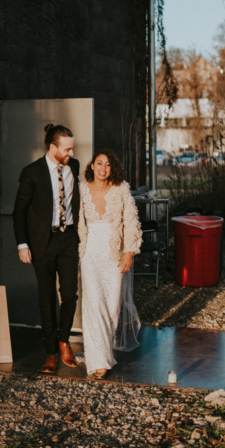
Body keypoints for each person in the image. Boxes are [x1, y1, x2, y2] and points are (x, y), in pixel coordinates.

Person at [13, 124, 81, 375]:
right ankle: (50, 352)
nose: (71, 153)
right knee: (47, 298)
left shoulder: (73, 167)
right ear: (53, 148)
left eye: (72, 148)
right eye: (67, 149)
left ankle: (64, 341)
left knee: (70, 295)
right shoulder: (31, 173)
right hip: (42, 242)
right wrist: (22, 244)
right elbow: (19, 211)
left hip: (68, 239)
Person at [77, 149, 142, 379]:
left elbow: (132, 222)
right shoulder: (82, 189)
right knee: (93, 304)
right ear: (92, 166)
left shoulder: (121, 189)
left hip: (114, 253)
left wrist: (129, 252)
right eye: (99, 163)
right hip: (90, 254)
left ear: (112, 169)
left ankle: (105, 351)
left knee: (112, 306)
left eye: (108, 165)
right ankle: (98, 361)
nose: (103, 168)